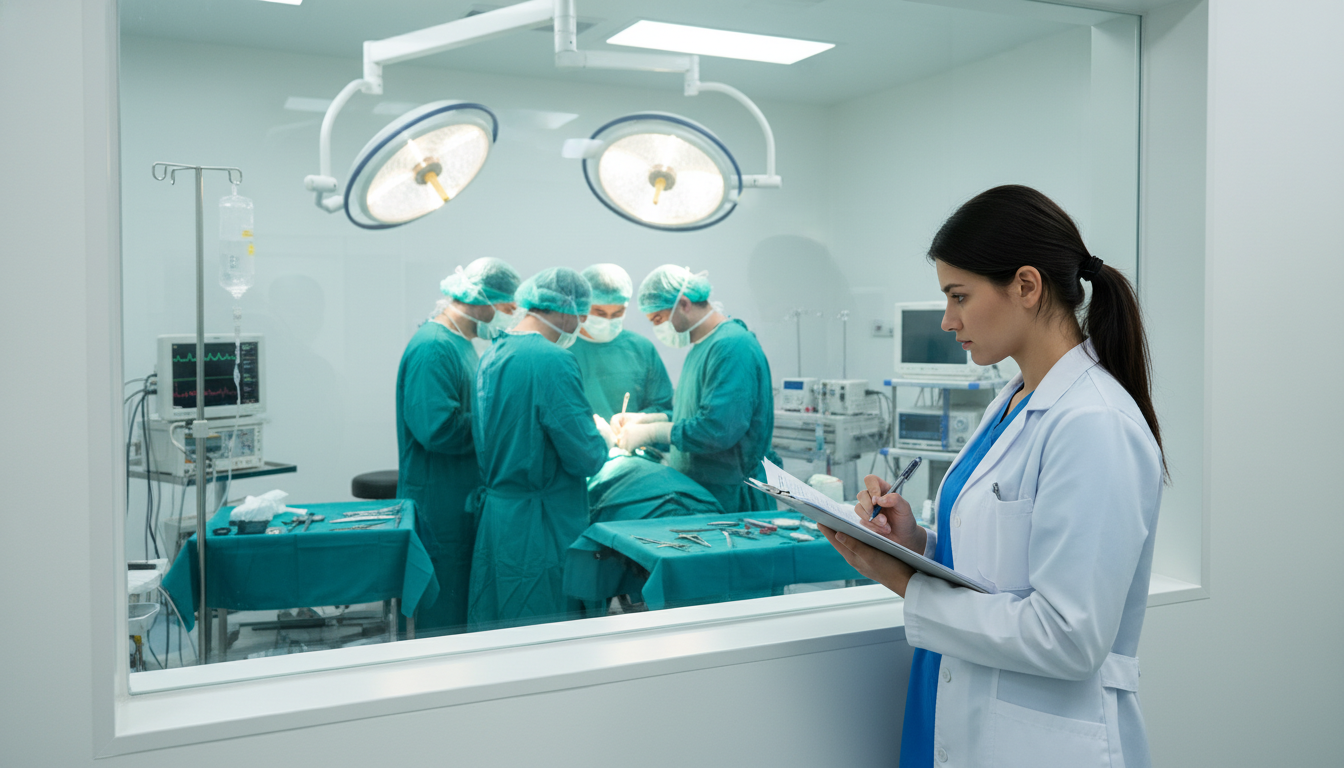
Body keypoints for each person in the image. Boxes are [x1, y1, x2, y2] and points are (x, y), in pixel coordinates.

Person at [820, 185, 1164, 768]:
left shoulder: (1093, 424)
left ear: (1026, 286)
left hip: (1037, 739)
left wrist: (908, 583)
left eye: (959, 296)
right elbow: (997, 566)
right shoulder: (1010, 402)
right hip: (956, 704)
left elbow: (1070, 637)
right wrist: (916, 545)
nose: (949, 319)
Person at [467, 267, 613, 630]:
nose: (581, 322)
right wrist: (602, 437)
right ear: (564, 308)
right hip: (541, 527)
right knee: (548, 635)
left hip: (500, 521)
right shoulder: (552, 360)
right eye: (581, 313)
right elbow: (585, 457)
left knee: (501, 629)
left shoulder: (494, 353)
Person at [395, 257, 520, 636]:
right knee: (442, 614)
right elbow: (437, 428)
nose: (510, 315)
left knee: (462, 608)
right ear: (480, 299)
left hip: (459, 497)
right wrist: (500, 422)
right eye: (507, 306)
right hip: (439, 503)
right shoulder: (433, 347)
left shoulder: (461, 343)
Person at [613, 265, 775, 514]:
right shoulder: (701, 345)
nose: (657, 328)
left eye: (658, 318)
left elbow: (718, 429)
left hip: (733, 500)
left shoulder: (732, 346)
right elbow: (696, 414)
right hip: (704, 492)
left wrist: (653, 432)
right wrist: (650, 419)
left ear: (684, 304)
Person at [569, 263, 674, 420]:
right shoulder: (563, 348)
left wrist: (638, 422)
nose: (608, 320)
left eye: (618, 313)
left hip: (630, 443)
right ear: (582, 305)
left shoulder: (641, 349)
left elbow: (663, 407)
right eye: (600, 312)